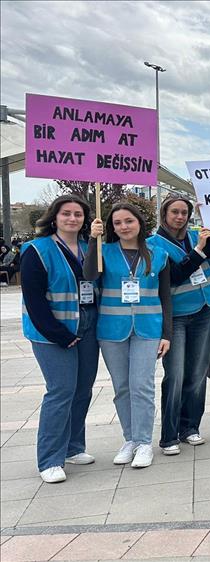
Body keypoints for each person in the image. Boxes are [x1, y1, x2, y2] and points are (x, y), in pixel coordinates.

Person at [85, 203, 171, 469]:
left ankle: (144, 442)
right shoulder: (104, 251)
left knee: (141, 386)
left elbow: (165, 297)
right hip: (112, 330)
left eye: (129, 221)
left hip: (148, 329)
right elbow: (89, 275)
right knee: (122, 387)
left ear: (139, 223)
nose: (124, 226)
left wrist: (167, 334)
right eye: (118, 222)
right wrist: (93, 240)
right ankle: (130, 439)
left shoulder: (158, 254)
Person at [21, 195, 99, 483]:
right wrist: (58, 334)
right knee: (61, 391)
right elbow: (34, 300)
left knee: (83, 389)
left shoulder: (90, 247)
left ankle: (73, 447)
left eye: (78, 214)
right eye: (66, 213)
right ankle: (50, 459)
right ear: (54, 217)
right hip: (52, 333)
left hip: (87, 327)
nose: (72, 218)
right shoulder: (37, 250)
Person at [147, 197, 210, 456]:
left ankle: (190, 427)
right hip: (176, 317)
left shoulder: (194, 234)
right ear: (164, 214)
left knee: (197, 374)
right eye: (174, 212)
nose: (179, 217)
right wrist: (198, 251)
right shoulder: (154, 244)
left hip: (203, 310)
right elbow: (175, 276)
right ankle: (169, 435)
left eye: (184, 212)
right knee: (176, 375)